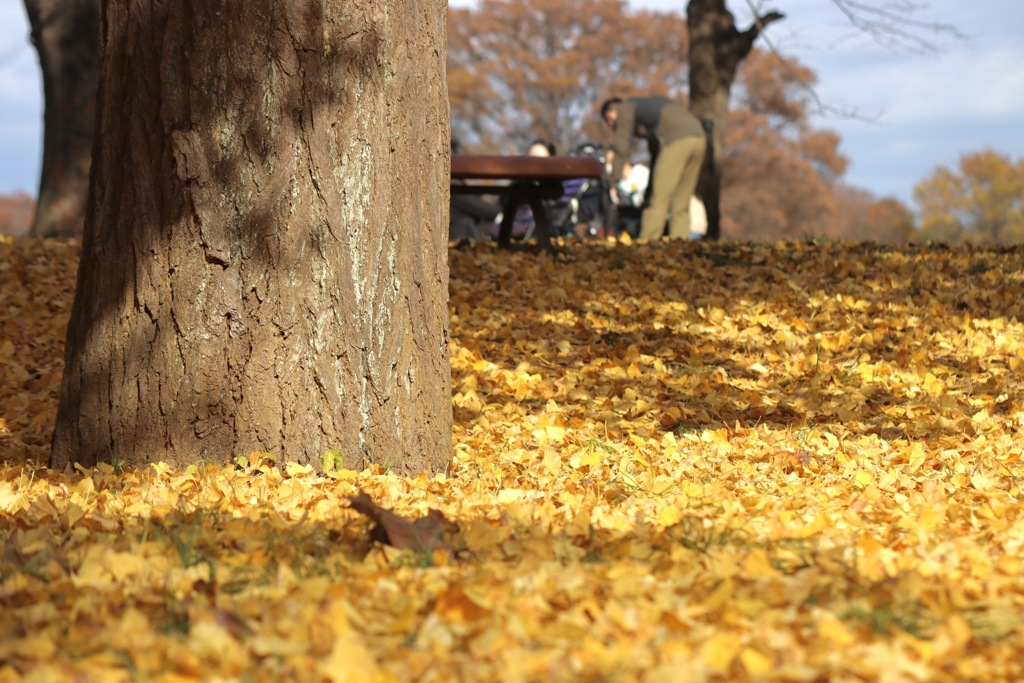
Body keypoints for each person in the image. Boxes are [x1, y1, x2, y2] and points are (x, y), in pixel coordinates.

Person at [600, 96, 707, 240]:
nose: (612, 126)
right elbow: (656, 157)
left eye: (610, 122)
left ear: (611, 114)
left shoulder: (625, 108)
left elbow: (621, 146)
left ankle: (647, 246)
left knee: (658, 200)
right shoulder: (647, 112)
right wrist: (647, 192)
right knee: (681, 202)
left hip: (677, 141)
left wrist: (612, 181)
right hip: (699, 138)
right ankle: (680, 245)